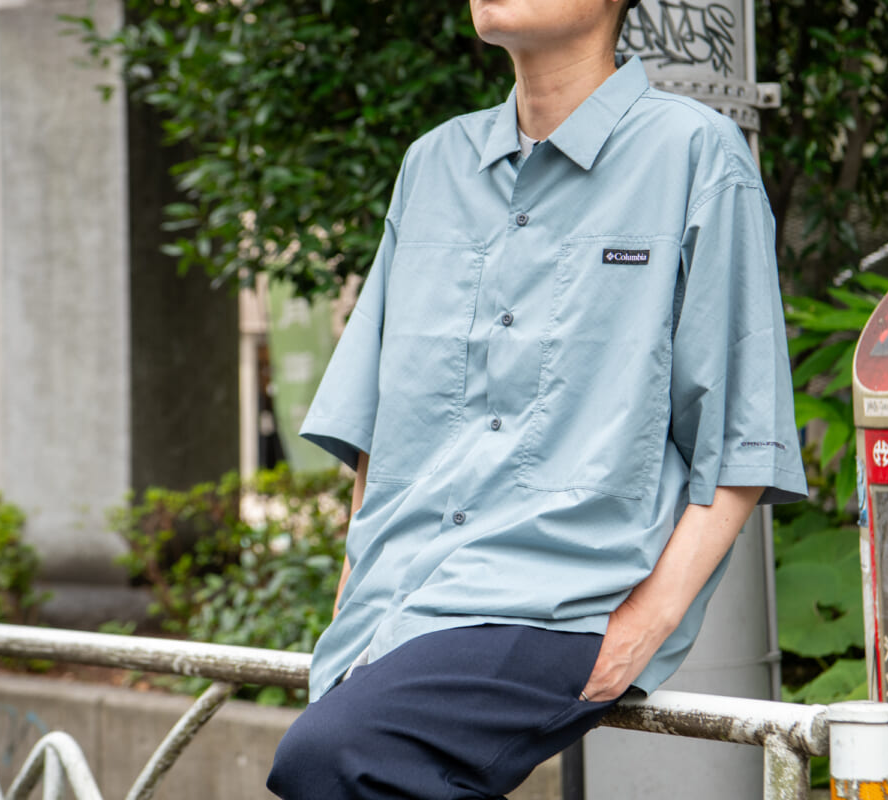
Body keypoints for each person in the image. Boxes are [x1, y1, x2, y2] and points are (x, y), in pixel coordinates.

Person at [267, 0, 807, 797]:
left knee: (335, 757)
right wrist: (357, 595)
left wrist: (642, 629)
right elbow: (381, 423)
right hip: (397, 609)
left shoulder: (694, 154)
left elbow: (741, 440)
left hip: (556, 604)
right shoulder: (432, 165)